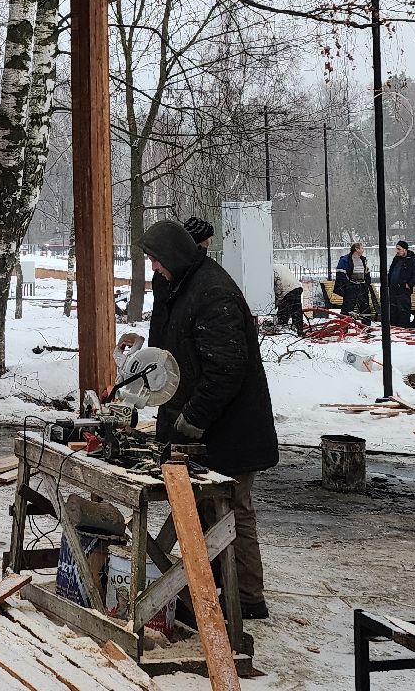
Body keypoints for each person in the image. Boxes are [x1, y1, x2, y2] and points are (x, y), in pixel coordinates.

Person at [140, 219, 278, 621]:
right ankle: (209, 589)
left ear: (174, 257)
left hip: (232, 427)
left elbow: (227, 370)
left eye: (156, 262)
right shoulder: (183, 284)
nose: (154, 269)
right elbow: (168, 348)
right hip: (207, 420)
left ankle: (246, 597)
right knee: (204, 510)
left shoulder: (212, 292)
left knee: (232, 509)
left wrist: (192, 419)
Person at [387, 241, 415, 328]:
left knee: (403, 310)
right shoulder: (396, 259)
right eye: (396, 249)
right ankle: (394, 327)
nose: (397, 251)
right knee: (393, 310)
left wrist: (409, 284)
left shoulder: (412, 261)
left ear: (405, 250)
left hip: (403, 290)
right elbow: (391, 272)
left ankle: (404, 327)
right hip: (393, 289)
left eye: (399, 249)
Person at [334, 242, 373, 315]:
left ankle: (365, 325)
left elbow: (367, 273)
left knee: (365, 310)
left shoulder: (363, 260)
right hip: (351, 287)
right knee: (347, 310)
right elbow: (341, 275)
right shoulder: (345, 260)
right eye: (362, 248)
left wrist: (366, 284)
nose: (363, 250)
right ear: (356, 249)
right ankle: (344, 324)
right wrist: (347, 287)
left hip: (362, 287)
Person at [273, 263, 305, 330]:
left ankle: (282, 328)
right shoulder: (278, 266)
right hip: (297, 287)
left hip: (287, 289)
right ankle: (299, 329)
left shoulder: (272, 271)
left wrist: (278, 299)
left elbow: (278, 285)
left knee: (283, 311)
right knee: (296, 311)